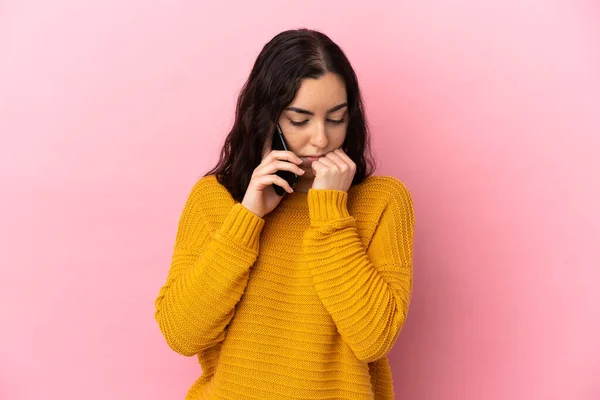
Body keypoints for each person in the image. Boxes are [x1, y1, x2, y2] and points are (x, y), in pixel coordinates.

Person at [154, 28, 415, 400]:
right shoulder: (214, 199)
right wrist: (247, 218)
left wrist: (330, 214)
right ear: (265, 118)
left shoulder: (382, 202)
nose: (321, 139)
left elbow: (373, 338)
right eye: (299, 120)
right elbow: (182, 334)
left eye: (337, 118)